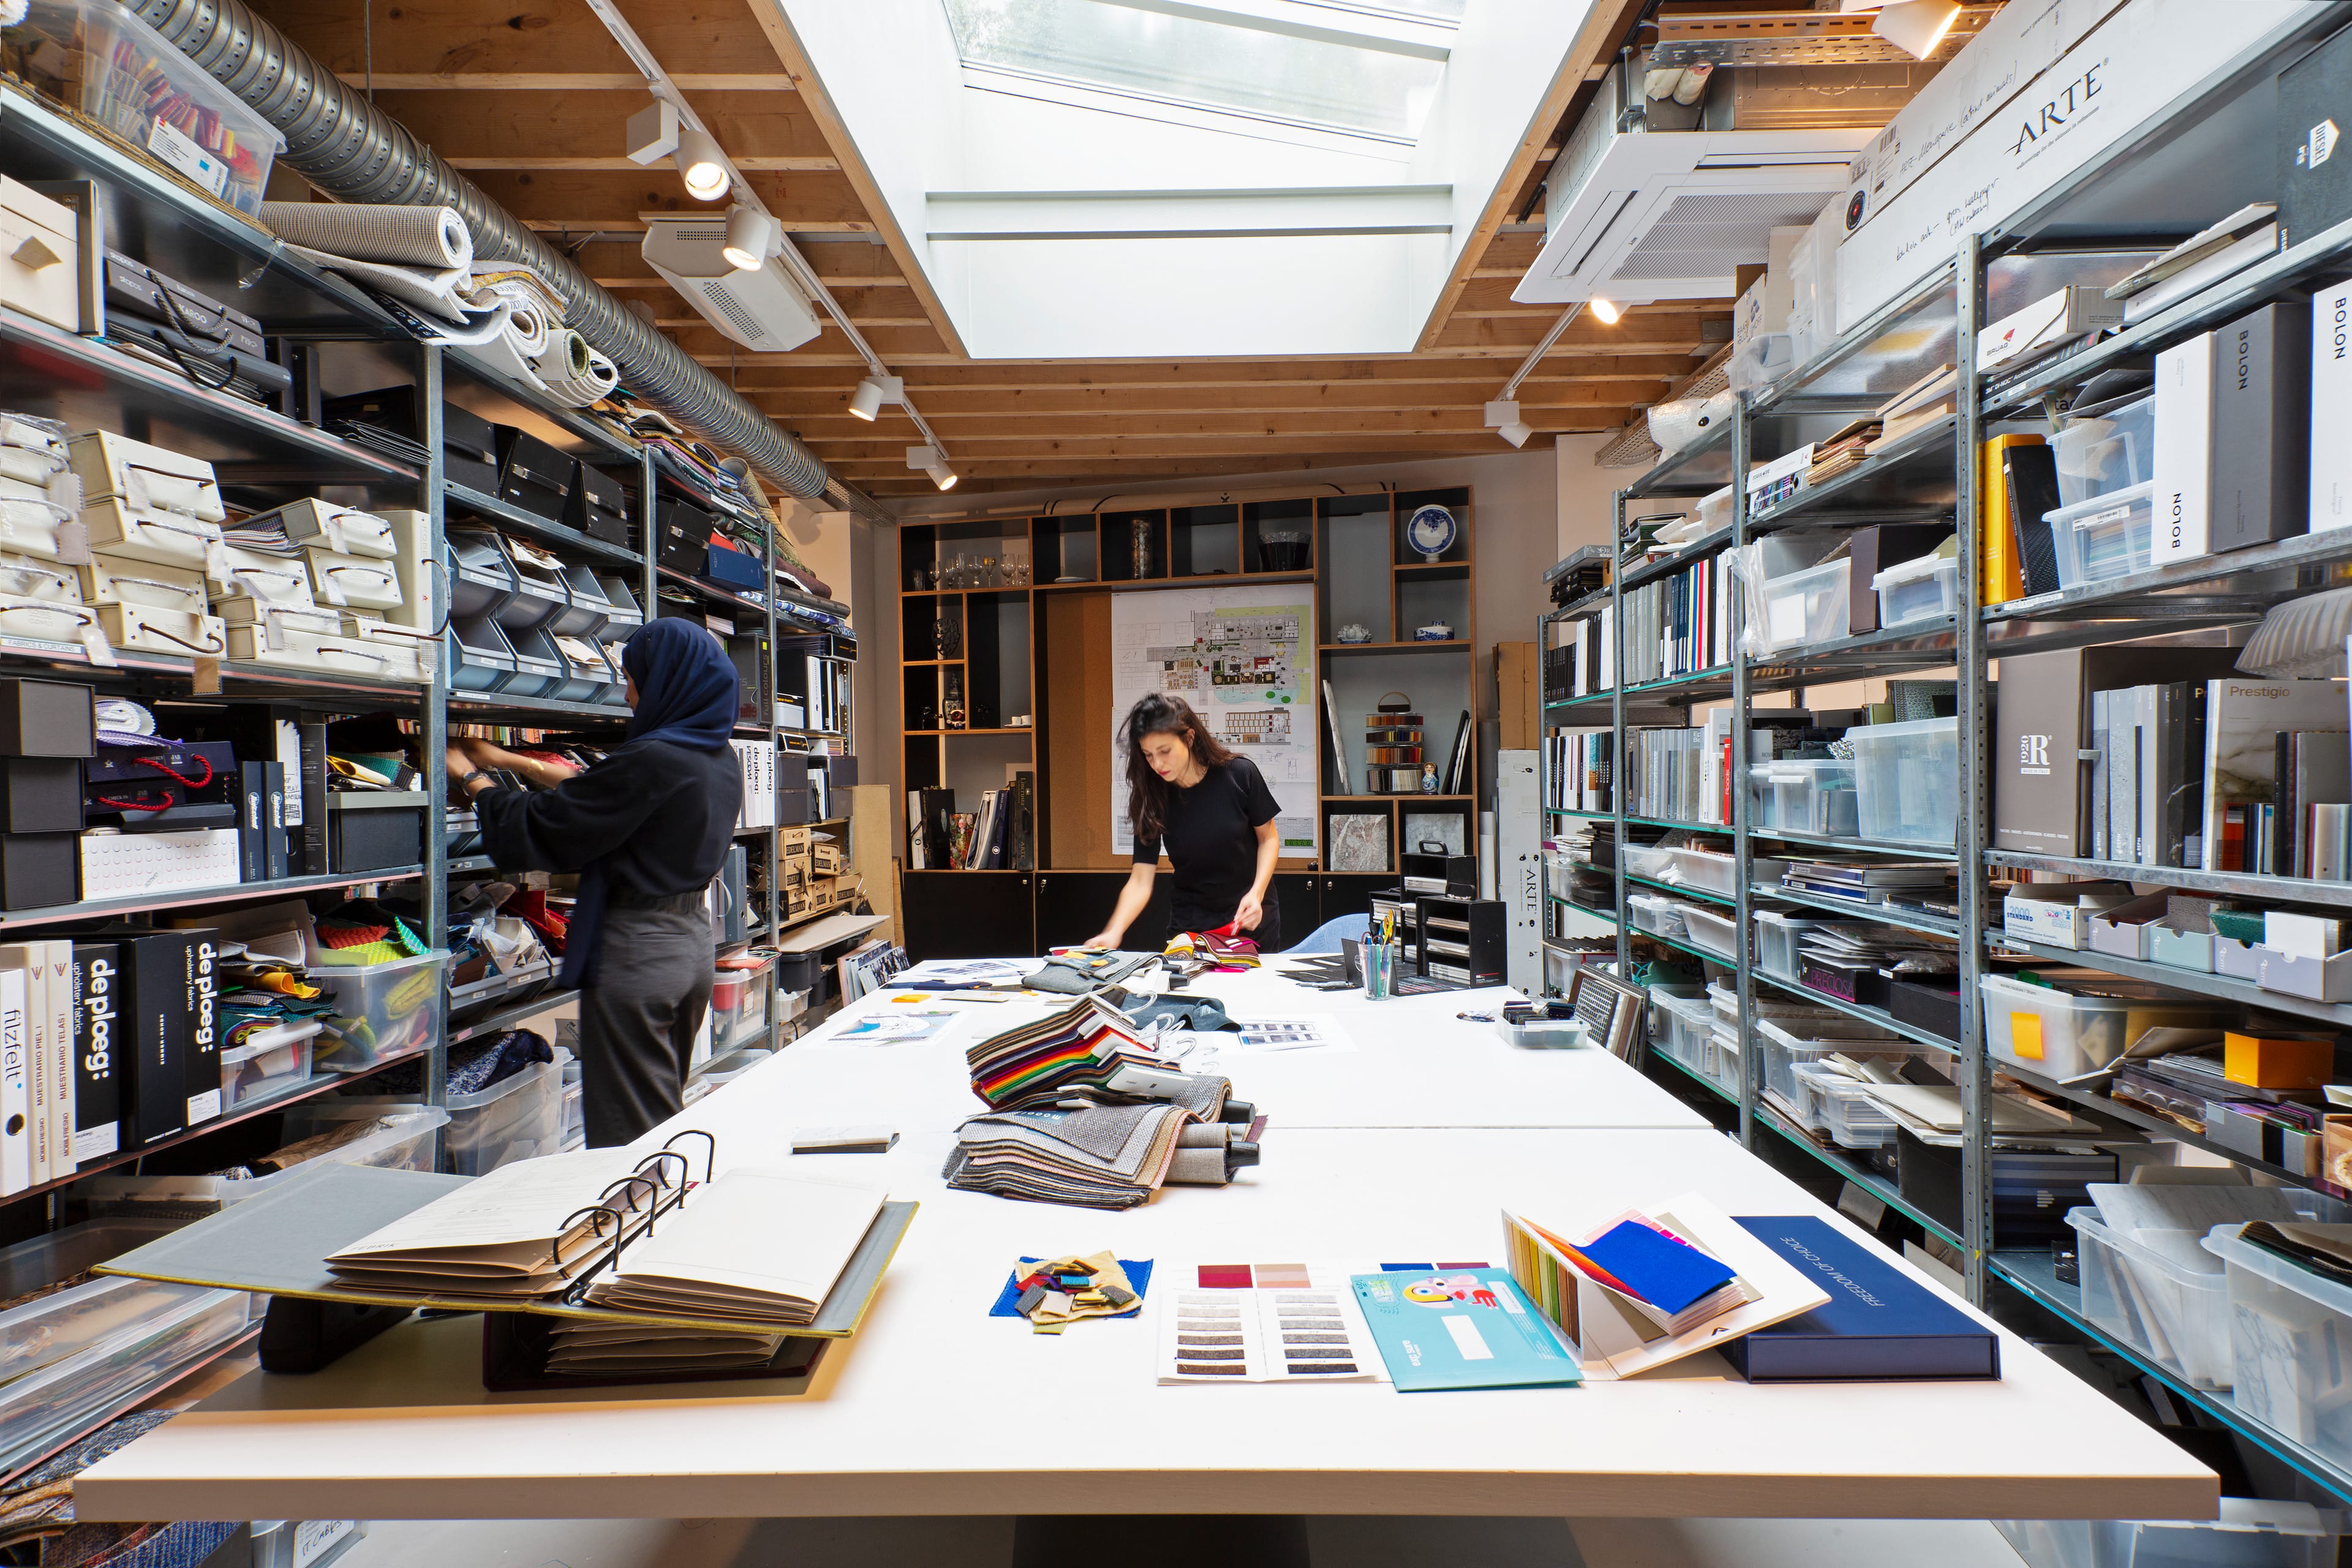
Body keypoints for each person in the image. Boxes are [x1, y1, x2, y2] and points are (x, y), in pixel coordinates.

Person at [446, 617, 742, 1147]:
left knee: (628, 1130)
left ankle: (642, 1218)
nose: (627, 694)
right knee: (657, 1107)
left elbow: (554, 827)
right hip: (690, 943)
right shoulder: (715, 756)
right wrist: (513, 759)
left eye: (633, 678)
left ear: (666, 680)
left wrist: (474, 779)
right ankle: (662, 1208)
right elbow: (611, 794)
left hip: (640, 951)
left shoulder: (655, 758)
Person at [1085, 693, 1281, 951]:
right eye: (1148, 755)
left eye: (1165, 751)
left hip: (1249, 919)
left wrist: (1257, 894)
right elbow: (1141, 879)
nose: (1157, 764)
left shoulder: (1239, 775)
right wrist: (1114, 931)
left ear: (1189, 738)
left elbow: (1268, 839)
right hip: (1191, 926)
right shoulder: (1152, 797)